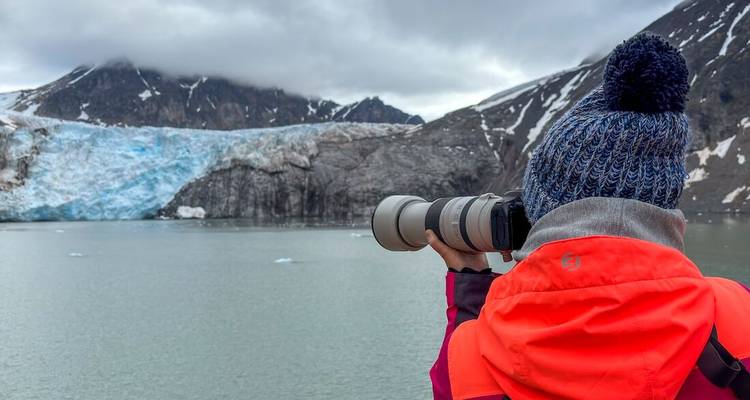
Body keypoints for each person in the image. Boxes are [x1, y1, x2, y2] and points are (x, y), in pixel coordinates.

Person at [426, 33, 750, 400]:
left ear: (542, 212)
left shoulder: (466, 359)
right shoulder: (740, 314)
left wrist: (469, 295)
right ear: (665, 209)